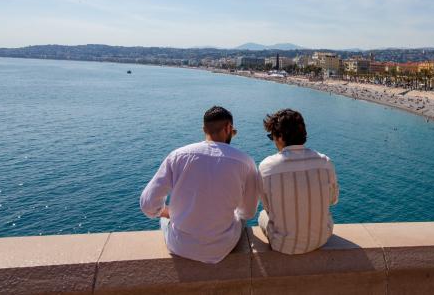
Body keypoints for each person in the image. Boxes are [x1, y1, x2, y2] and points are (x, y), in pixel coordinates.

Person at [139, 106, 259, 264]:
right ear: (229, 128)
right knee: (239, 217)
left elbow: (148, 204)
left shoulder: (178, 156)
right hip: (224, 246)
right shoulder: (245, 161)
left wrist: (165, 212)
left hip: (180, 246)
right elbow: (248, 212)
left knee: (164, 218)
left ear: (204, 129)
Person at [257, 109, 339, 255]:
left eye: (272, 137)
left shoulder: (266, 167)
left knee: (262, 214)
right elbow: (332, 200)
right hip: (322, 238)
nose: (273, 141)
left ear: (280, 137)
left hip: (282, 245)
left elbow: (268, 207)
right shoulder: (325, 162)